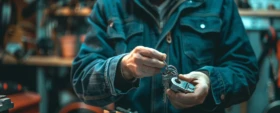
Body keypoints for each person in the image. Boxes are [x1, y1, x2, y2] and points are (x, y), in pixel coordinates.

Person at [71, 0, 259, 112]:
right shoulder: (110, 5)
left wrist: (210, 82)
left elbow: (245, 70)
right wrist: (122, 68)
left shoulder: (218, 3)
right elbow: (82, 78)